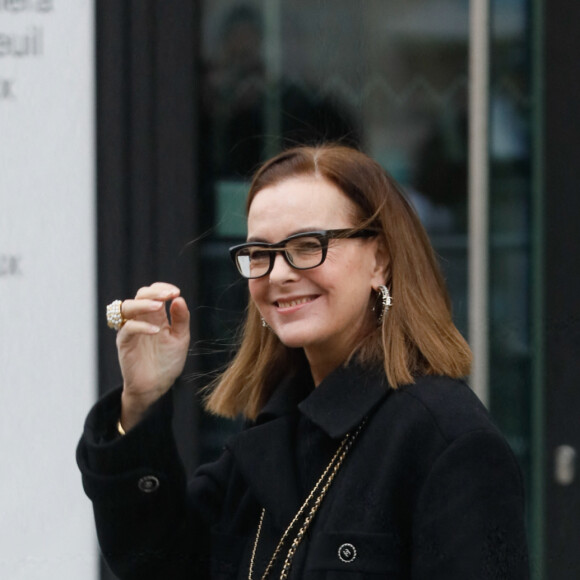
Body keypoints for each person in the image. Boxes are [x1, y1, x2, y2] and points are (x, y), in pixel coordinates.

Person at [77, 144, 529, 579]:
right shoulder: (276, 429)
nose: (279, 274)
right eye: (259, 253)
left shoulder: (444, 437)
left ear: (381, 260)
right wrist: (142, 401)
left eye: (309, 245)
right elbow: (163, 564)